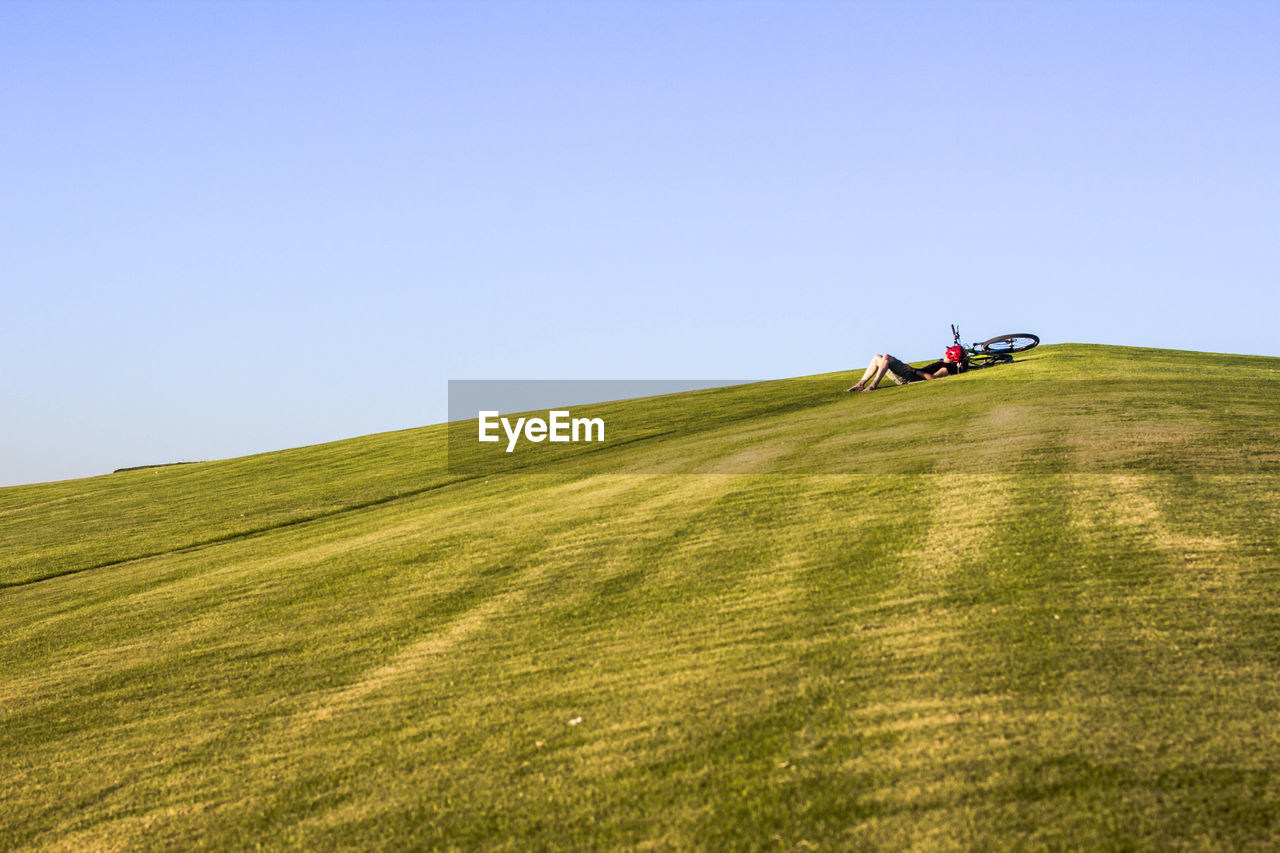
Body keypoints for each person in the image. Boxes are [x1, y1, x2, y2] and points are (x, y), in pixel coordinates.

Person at [846, 345, 968, 392]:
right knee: (877, 357)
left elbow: (932, 378)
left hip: (912, 377)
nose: (945, 353)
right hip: (911, 374)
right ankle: (861, 384)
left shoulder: (946, 368)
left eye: (947, 352)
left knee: (887, 358)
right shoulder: (944, 364)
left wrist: (914, 370)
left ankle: (873, 385)